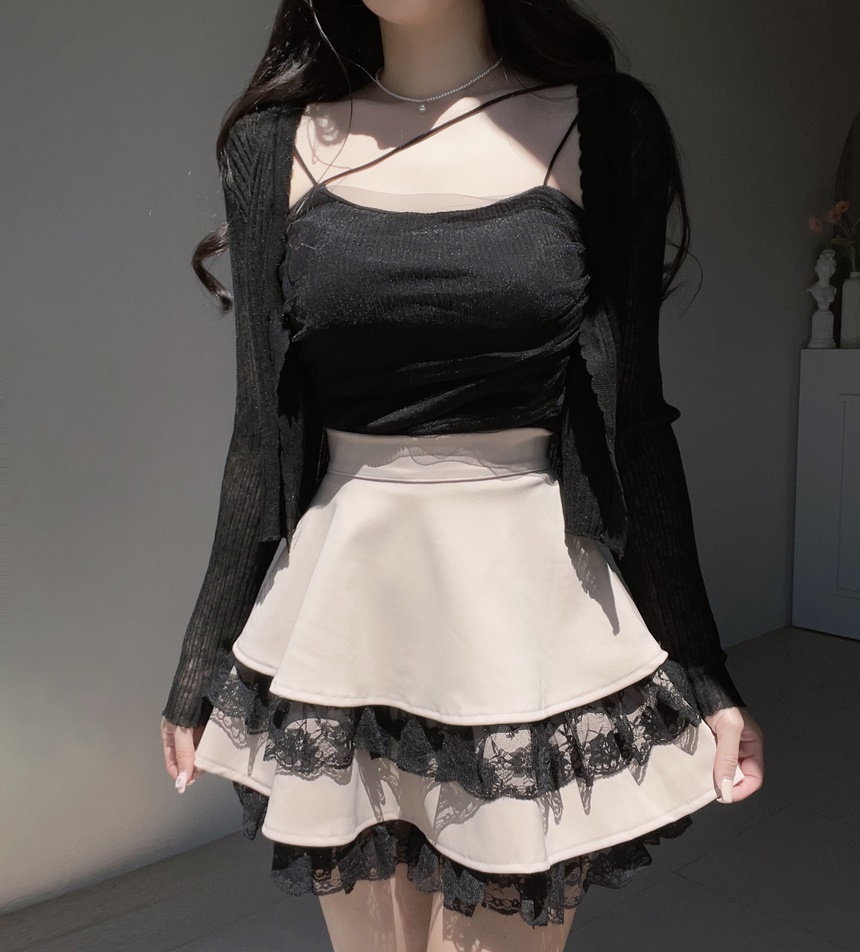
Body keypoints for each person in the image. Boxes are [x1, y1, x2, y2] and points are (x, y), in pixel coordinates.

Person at [160, 2, 765, 949]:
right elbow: (258, 432)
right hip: (342, 615)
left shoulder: (604, 126)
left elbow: (636, 426)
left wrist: (703, 668)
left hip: (523, 614)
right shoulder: (273, 144)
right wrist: (202, 658)